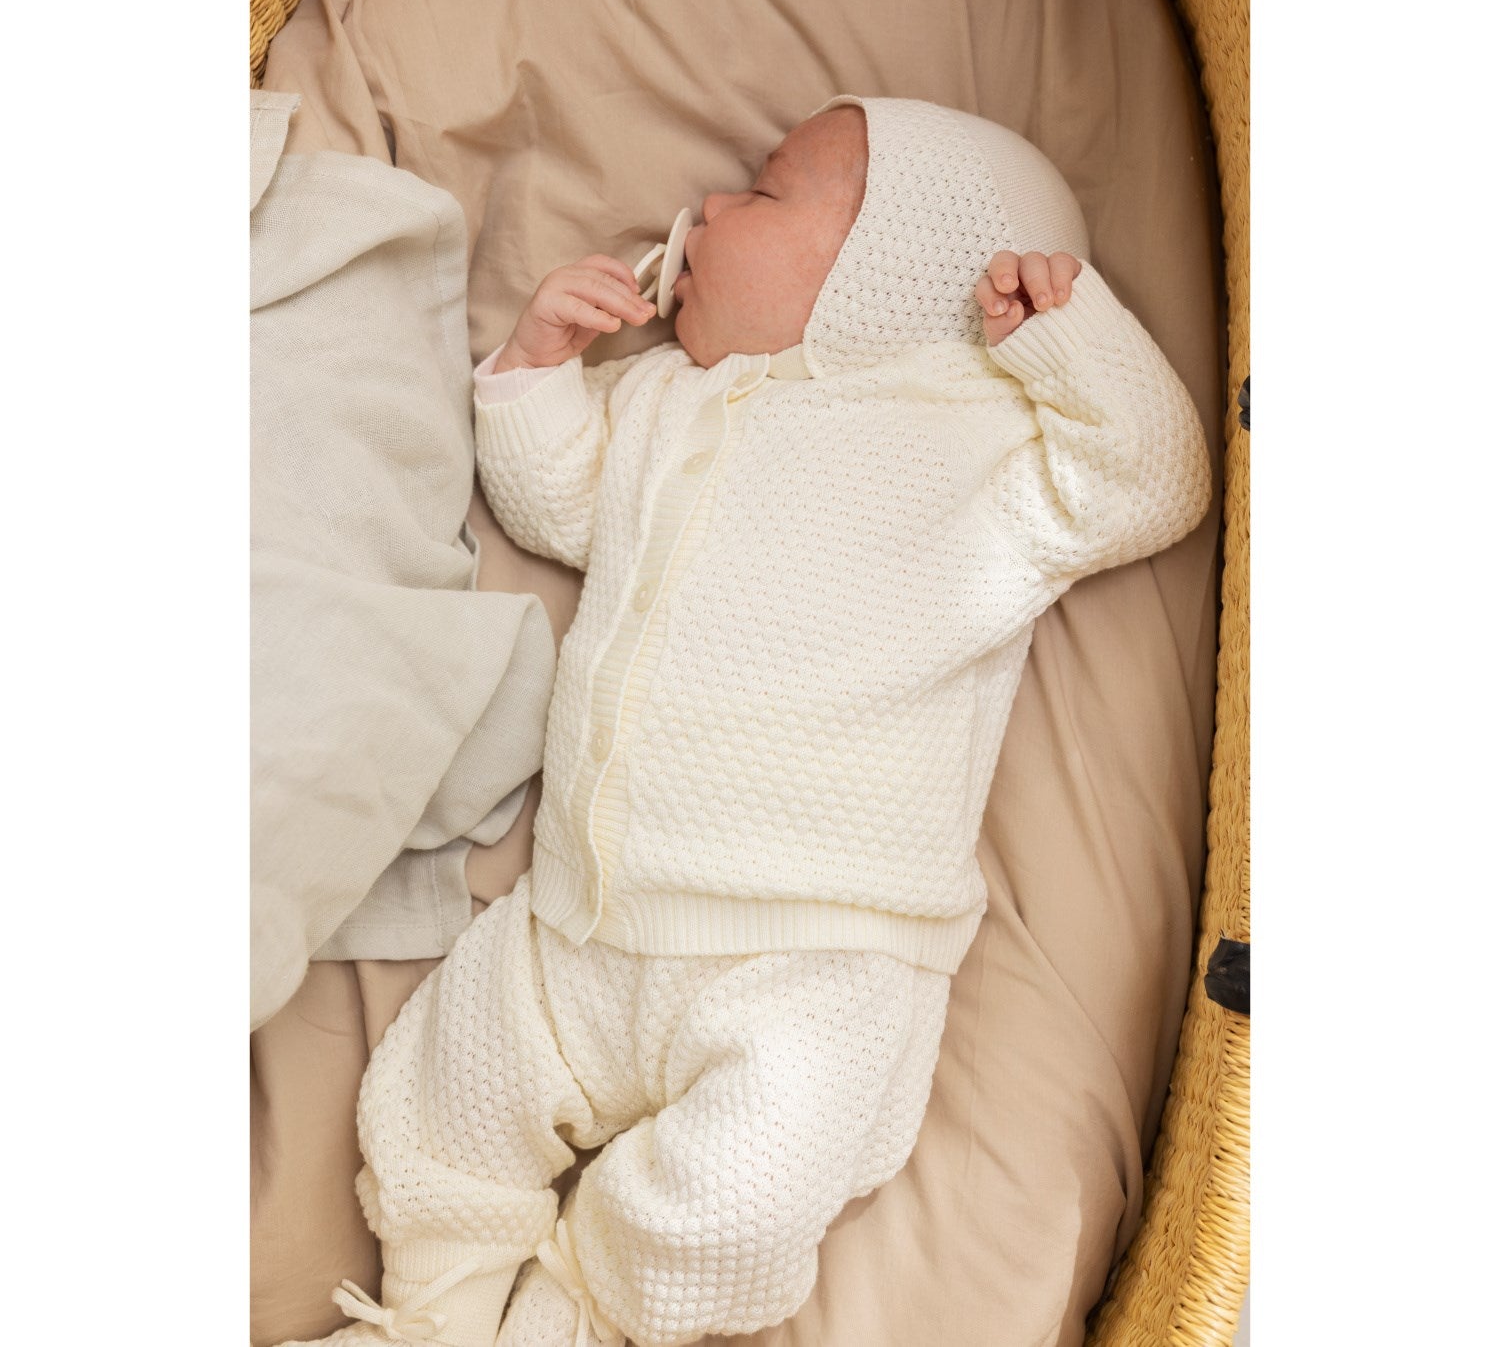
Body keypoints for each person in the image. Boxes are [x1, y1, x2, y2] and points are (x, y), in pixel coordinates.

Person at [285, 93, 1212, 1347]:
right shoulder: (668, 401)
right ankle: (431, 1315)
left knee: (736, 1205)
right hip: (581, 923)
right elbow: (561, 504)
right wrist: (535, 370)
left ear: (892, 272)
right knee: (447, 1091)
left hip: (814, 959)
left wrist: (1067, 334)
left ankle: (571, 1321)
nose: (706, 208)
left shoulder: (980, 445)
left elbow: (1154, 477)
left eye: (763, 192)